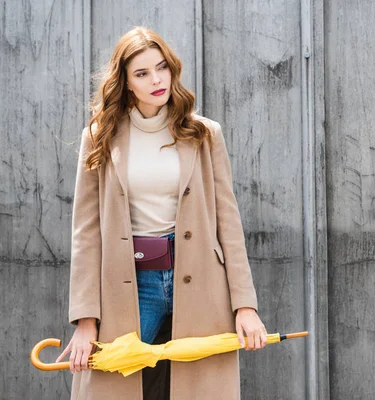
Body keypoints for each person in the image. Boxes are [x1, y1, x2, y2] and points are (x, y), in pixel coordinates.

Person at [56, 26, 267, 399]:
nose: (156, 80)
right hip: (132, 283)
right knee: (116, 385)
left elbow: (228, 224)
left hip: (201, 280)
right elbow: (86, 233)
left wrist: (245, 305)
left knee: (194, 388)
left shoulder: (204, 134)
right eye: (142, 73)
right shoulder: (100, 135)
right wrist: (86, 321)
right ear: (125, 82)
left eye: (161, 68)